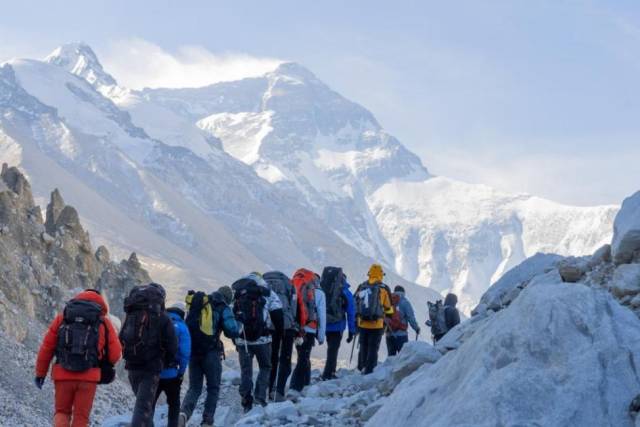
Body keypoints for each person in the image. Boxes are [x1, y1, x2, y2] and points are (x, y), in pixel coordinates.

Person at [35, 289, 122, 427]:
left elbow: (46, 348)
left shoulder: (62, 318)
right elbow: (115, 354)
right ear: (100, 301)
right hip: (89, 377)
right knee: (81, 418)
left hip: (62, 375)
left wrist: (40, 373)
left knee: (62, 412)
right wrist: (104, 363)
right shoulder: (103, 321)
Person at [180, 286, 239, 427]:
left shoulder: (201, 303)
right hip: (211, 353)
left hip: (194, 352)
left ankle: (183, 414)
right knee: (213, 387)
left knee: (194, 388)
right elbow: (232, 330)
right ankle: (207, 421)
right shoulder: (222, 306)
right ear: (228, 298)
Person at [120, 283, 178, 427]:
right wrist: (166, 362)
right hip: (150, 368)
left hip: (132, 365)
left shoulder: (131, 314)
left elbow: (121, 337)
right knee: (143, 408)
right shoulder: (162, 317)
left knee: (144, 406)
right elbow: (172, 344)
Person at [233, 273, 284, 413]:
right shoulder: (268, 293)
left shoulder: (238, 293)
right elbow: (278, 316)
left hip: (243, 340)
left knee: (246, 369)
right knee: (265, 366)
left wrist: (235, 340)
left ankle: (246, 399)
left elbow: (233, 318)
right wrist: (279, 334)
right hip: (263, 340)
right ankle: (260, 396)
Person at [150, 302, 191, 427]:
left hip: (154, 372)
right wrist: (181, 372)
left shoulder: (158, 321)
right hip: (172, 374)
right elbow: (185, 353)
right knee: (174, 405)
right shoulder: (182, 327)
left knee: (149, 404)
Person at [289, 269, 326, 394]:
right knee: (303, 357)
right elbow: (322, 316)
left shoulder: (295, 287)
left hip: (295, 328)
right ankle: (295, 386)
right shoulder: (319, 293)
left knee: (303, 355)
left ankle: (306, 382)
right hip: (309, 329)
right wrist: (321, 336)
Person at [263, 271, 297, 402]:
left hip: (269, 325)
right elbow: (293, 305)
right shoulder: (289, 284)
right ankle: (280, 391)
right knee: (285, 358)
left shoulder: (263, 283)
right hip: (286, 325)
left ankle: (269, 389)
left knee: (272, 358)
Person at [355, 264, 393, 375]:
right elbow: (388, 307)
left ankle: (361, 367)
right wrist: (388, 318)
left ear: (369, 273)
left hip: (362, 323)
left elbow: (356, 302)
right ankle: (370, 370)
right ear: (381, 275)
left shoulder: (362, 286)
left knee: (363, 345)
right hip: (377, 324)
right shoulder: (383, 288)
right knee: (373, 347)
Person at [320, 267, 355, 381]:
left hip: (325, 324)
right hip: (337, 325)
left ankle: (330, 371)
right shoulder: (345, 292)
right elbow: (351, 313)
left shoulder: (324, 290)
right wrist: (351, 331)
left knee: (331, 348)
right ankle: (328, 374)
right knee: (333, 349)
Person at [385, 285, 420, 356]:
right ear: (403, 293)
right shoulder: (405, 302)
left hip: (389, 334)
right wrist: (416, 328)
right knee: (402, 358)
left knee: (391, 358)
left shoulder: (388, 300)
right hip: (401, 335)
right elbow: (411, 318)